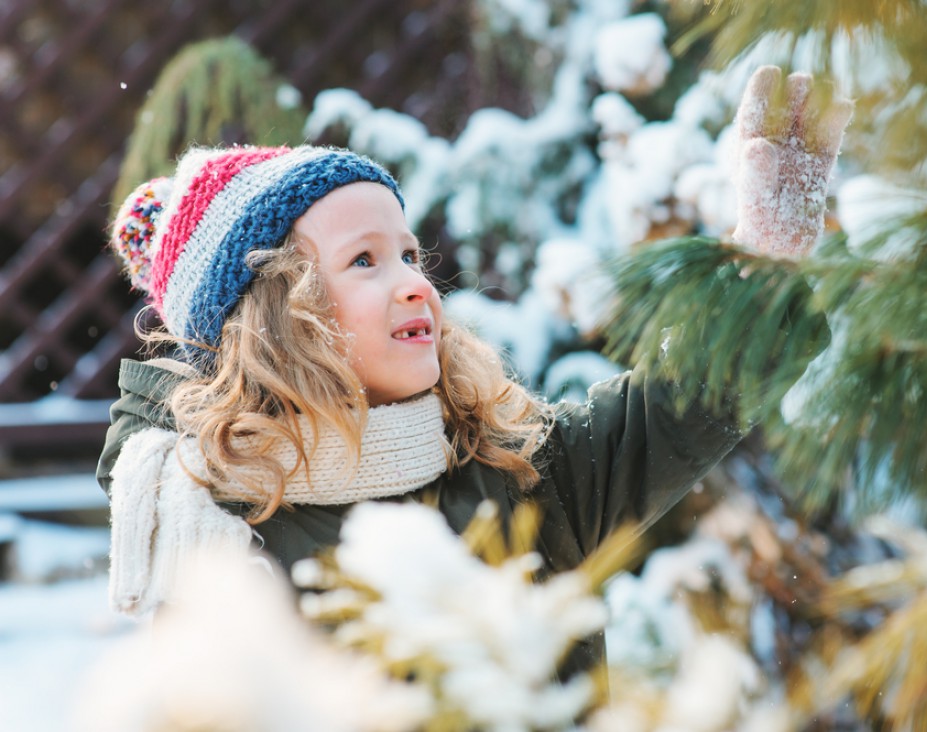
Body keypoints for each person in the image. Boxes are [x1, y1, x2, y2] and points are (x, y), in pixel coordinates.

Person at [98, 66, 851, 674]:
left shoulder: (522, 476)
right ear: (274, 318)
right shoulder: (221, 534)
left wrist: (763, 263)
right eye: (365, 259)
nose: (415, 282)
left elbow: (678, 404)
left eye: (409, 254)